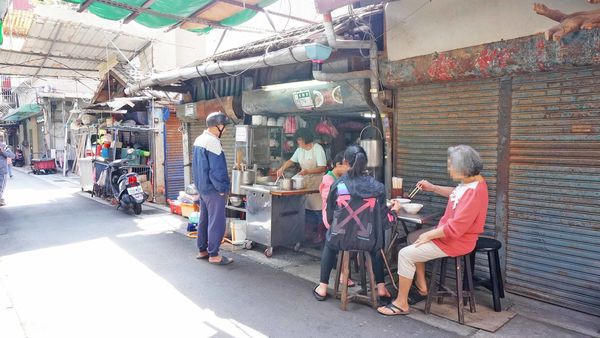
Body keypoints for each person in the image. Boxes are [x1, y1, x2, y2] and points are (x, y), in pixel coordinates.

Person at [377, 145, 489, 316]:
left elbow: (455, 228)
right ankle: (422, 285)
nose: (449, 169)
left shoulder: (475, 193)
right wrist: (433, 187)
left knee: (405, 254)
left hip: (457, 241)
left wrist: (429, 234)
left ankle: (401, 303)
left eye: (452, 166)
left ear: (465, 168)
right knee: (413, 238)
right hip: (450, 236)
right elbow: (456, 192)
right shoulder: (471, 183)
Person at [313, 145, 400, 301]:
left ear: (346, 162)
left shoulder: (338, 185)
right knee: (376, 246)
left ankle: (322, 287)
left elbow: (331, 216)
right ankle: (381, 288)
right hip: (367, 239)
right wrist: (395, 211)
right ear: (365, 163)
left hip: (340, 238)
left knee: (329, 241)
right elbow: (385, 222)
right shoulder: (378, 187)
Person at [193, 112, 233, 265]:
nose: (226, 130)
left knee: (204, 219)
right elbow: (217, 170)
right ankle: (214, 254)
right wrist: (222, 188)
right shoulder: (213, 142)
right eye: (225, 126)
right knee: (217, 221)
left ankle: (202, 250)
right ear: (218, 126)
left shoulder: (199, 139)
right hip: (213, 189)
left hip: (202, 187)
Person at [276, 128, 327, 244]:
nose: (298, 142)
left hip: (317, 183)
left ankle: (320, 233)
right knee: (307, 208)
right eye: (297, 139)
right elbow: (291, 161)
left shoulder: (317, 149)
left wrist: (308, 171)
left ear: (306, 138)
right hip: (305, 183)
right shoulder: (300, 150)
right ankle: (308, 233)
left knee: (318, 209)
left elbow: (322, 167)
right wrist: (282, 168)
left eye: (300, 139)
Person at [0, 133, 15, 206]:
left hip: (2, 170)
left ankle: (1, 199)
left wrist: (3, 152)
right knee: (1, 186)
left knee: (2, 186)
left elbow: (12, 155)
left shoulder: (4, 147)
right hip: (3, 170)